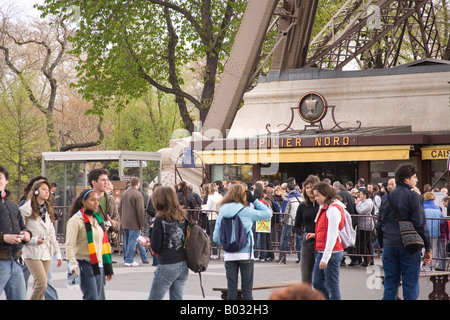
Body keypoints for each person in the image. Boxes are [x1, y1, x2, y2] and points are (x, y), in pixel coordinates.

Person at [375, 163, 431, 300]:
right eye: (414, 177)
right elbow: (420, 224)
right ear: (406, 179)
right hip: (409, 245)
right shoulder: (413, 197)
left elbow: (379, 224)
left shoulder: (386, 198)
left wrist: (383, 243)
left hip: (389, 244)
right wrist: (428, 247)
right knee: (410, 284)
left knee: (390, 284)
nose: (416, 180)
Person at [213, 184, 272, 300]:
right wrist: (254, 201)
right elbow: (268, 213)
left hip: (229, 254)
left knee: (231, 290)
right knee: (247, 290)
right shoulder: (247, 211)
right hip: (246, 253)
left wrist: (227, 242)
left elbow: (215, 237)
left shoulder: (222, 212)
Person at [66, 189, 114, 300]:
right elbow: (70, 245)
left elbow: (103, 244)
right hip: (84, 264)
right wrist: (73, 264)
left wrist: (108, 268)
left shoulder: (98, 220)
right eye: (92, 200)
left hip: (99, 265)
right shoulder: (76, 220)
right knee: (92, 297)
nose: (96, 203)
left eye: (97, 200)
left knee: (99, 297)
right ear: (84, 202)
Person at [19, 179, 62, 300]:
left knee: (43, 285)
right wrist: (34, 240)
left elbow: (51, 233)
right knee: (41, 283)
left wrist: (58, 253)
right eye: (44, 189)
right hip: (31, 251)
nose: (47, 192)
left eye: (48, 190)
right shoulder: (25, 210)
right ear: (36, 191)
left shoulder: (47, 209)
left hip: (46, 251)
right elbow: (21, 232)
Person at [148, 187, 189, 300]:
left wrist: (150, 240)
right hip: (183, 264)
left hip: (167, 264)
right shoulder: (183, 217)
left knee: (154, 298)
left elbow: (156, 247)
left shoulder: (159, 219)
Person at [0, 165, 32, 300]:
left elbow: (22, 226)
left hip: (16, 262)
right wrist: (3, 238)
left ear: (6, 181)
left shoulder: (13, 206)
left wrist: (26, 234)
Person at [311, 181, 345, 300]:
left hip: (332, 252)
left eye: (317, 195)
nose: (316, 198)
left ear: (325, 194)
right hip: (324, 250)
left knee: (332, 286)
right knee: (317, 283)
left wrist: (325, 257)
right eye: (315, 195)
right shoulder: (327, 207)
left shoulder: (333, 209)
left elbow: (332, 235)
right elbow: (326, 231)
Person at [294, 174, 320, 284]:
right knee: (305, 278)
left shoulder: (323, 204)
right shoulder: (302, 206)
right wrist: (303, 234)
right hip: (307, 243)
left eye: (311, 187)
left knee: (319, 279)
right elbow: (296, 226)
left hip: (321, 242)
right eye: (307, 187)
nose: (309, 190)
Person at [119, 177, 149, 266]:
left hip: (125, 221)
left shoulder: (124, 193)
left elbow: (120, 208)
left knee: (126, 241)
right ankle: (129, 260)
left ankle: (126, 259)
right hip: (134, 222)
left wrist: (122, 218)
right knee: (132, 241)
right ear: (138, 184)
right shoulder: (138, 195)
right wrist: (142, 224)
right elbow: (140, 211)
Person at [87, 168, 120, 248]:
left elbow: (117, 219)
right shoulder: (85, 199)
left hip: (106, 241)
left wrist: (114, 224)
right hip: (89, 242)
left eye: (107, 180)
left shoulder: (110, 199)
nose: (106, 183)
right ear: (94, 182)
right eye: (103, 180)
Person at [279, 182, 302, 264]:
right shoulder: (301, 197)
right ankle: (300, 258)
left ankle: (282, 257)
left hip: (289, 221)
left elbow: (285, 210)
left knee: (284, 239)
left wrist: (282, 220)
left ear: (288, 189)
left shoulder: (287, 198)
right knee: (299, 239)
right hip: (298, 221)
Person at [422, 192, 444, 271]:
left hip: (425, 231)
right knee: (434, 248)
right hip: (435, 231)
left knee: (425, 248)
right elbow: (442, 221)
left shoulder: (422, 208)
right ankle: (432, 266)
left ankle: (425, 265)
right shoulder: (437, 208)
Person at [355, 189, 375, 267]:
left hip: (366, 226)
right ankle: (368, 259)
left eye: (361, 194)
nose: (359, 196)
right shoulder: (363, 202)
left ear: (365, 195)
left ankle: (368, 259)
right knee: (366, 244)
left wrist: (357, 204)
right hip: (363, 225)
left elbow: (361, 211)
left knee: (362, 244)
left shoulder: (368, 203)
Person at [205, 183, 222, 258]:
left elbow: (208, 208)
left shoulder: (210, 197)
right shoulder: (220, 196)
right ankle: (219, 251)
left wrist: (206, 213)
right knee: (218, 234)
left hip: (212, 217)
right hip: (219, 216)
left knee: (212, 234)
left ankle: (214, 252)